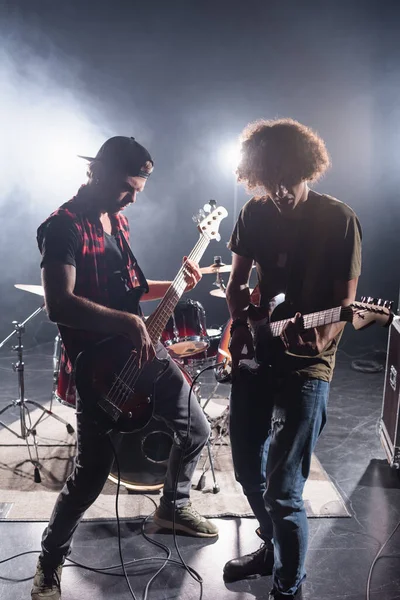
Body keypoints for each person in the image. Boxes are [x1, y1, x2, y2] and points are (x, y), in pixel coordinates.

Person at [31, 136, 218, 600]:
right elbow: (59, 304)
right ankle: (48, 563)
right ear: (97, 173)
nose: (134, 196)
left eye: (139, 188)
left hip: (144, 353)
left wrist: (175, 284)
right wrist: (127, 321)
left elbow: (132, 292)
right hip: (98, 367)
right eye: (126, 187)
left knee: (196, 430)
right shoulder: (62, 227)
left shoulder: (118, 222)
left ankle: (173, 506)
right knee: (90, 475)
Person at [223, 118, 362, 599]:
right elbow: (237, 285)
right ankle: (273, 546)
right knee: (245, 467)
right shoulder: (254, 213)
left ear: (308, 168)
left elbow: (347, 308)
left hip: (308, 363)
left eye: (288, 178)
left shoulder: (339, 220)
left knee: (283, 489)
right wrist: (241, 324)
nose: (280, 190)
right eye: (269, 180)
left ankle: (288, 586)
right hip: (257, 351)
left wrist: (319, 341)